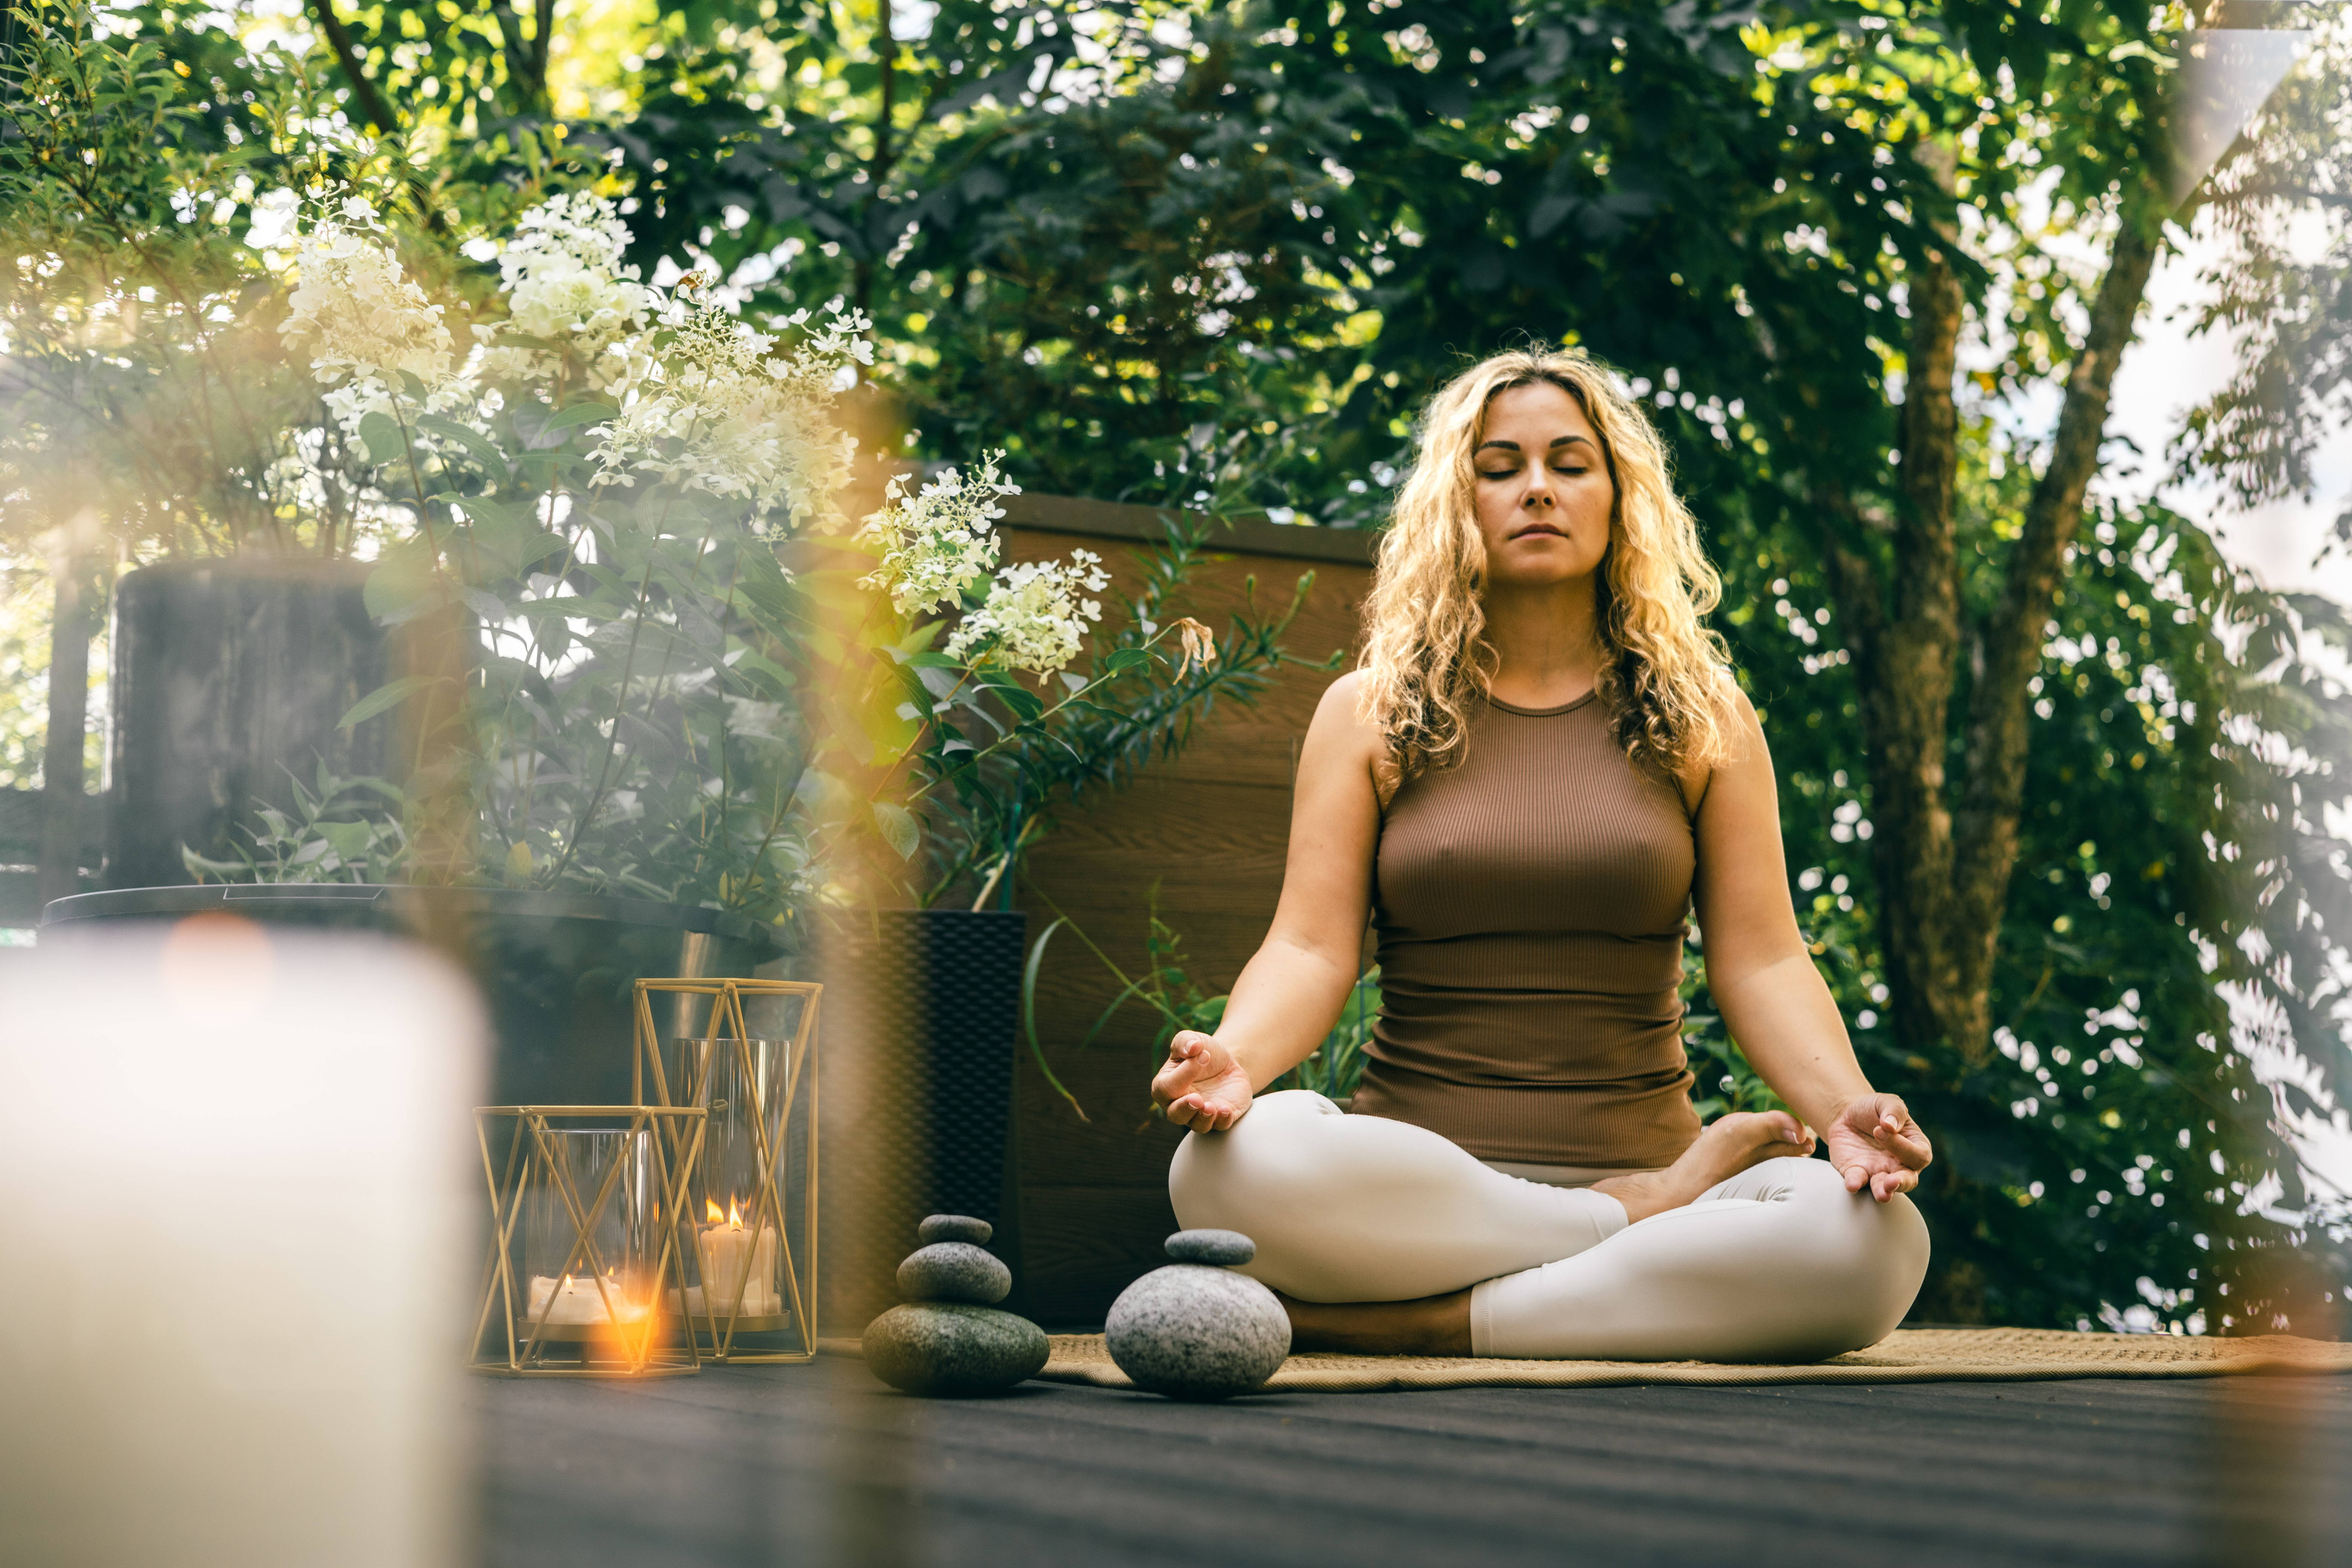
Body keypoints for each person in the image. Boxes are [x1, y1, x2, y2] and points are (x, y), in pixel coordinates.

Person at [1148, 347, 1932, 1363]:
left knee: (1870, 1243)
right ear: (1457, 501)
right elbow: (1308, 948)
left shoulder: (1706, 719)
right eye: (1499, 465)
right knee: (1220, 1173)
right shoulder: (1371, 712)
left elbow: (1765, 959)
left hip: (1633, 1150)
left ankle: (1427, 1322)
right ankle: (1626, 1219)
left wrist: (1846, 1111)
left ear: (1619, 498)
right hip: (1419, 1189)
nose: (1536, 490)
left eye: (1570, 463)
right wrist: (1236, 1062)